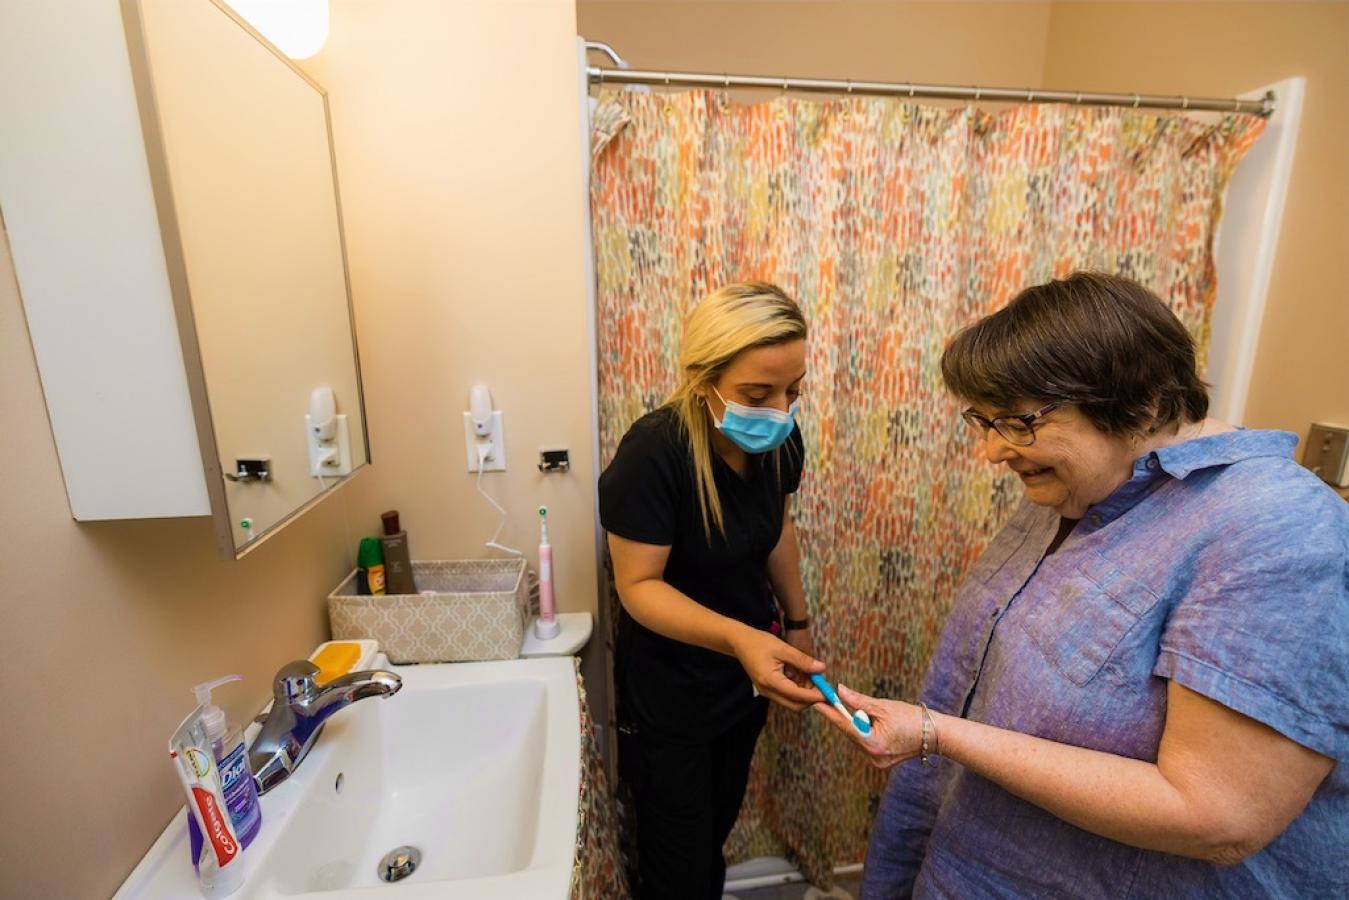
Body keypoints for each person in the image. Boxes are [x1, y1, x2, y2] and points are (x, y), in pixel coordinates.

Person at [816, 272, 1347, 898]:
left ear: (1142, 403)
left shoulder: (1277, 529)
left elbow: (1217, 817)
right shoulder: (1074, 486)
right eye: (983, 422)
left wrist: (936, 734)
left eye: (1017, 421)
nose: (991, 451)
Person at [598, 280, 826, 900]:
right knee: (679, 862)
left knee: (714, 830)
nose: (780, 409)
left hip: (742, 677)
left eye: (792, 391)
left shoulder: (778, 439)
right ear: (704, 380)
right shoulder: (654, 453)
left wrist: (797, 622)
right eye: (759, 393)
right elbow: (638, 586)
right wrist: (740, 638)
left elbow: (776, 530)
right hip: (671, 692)